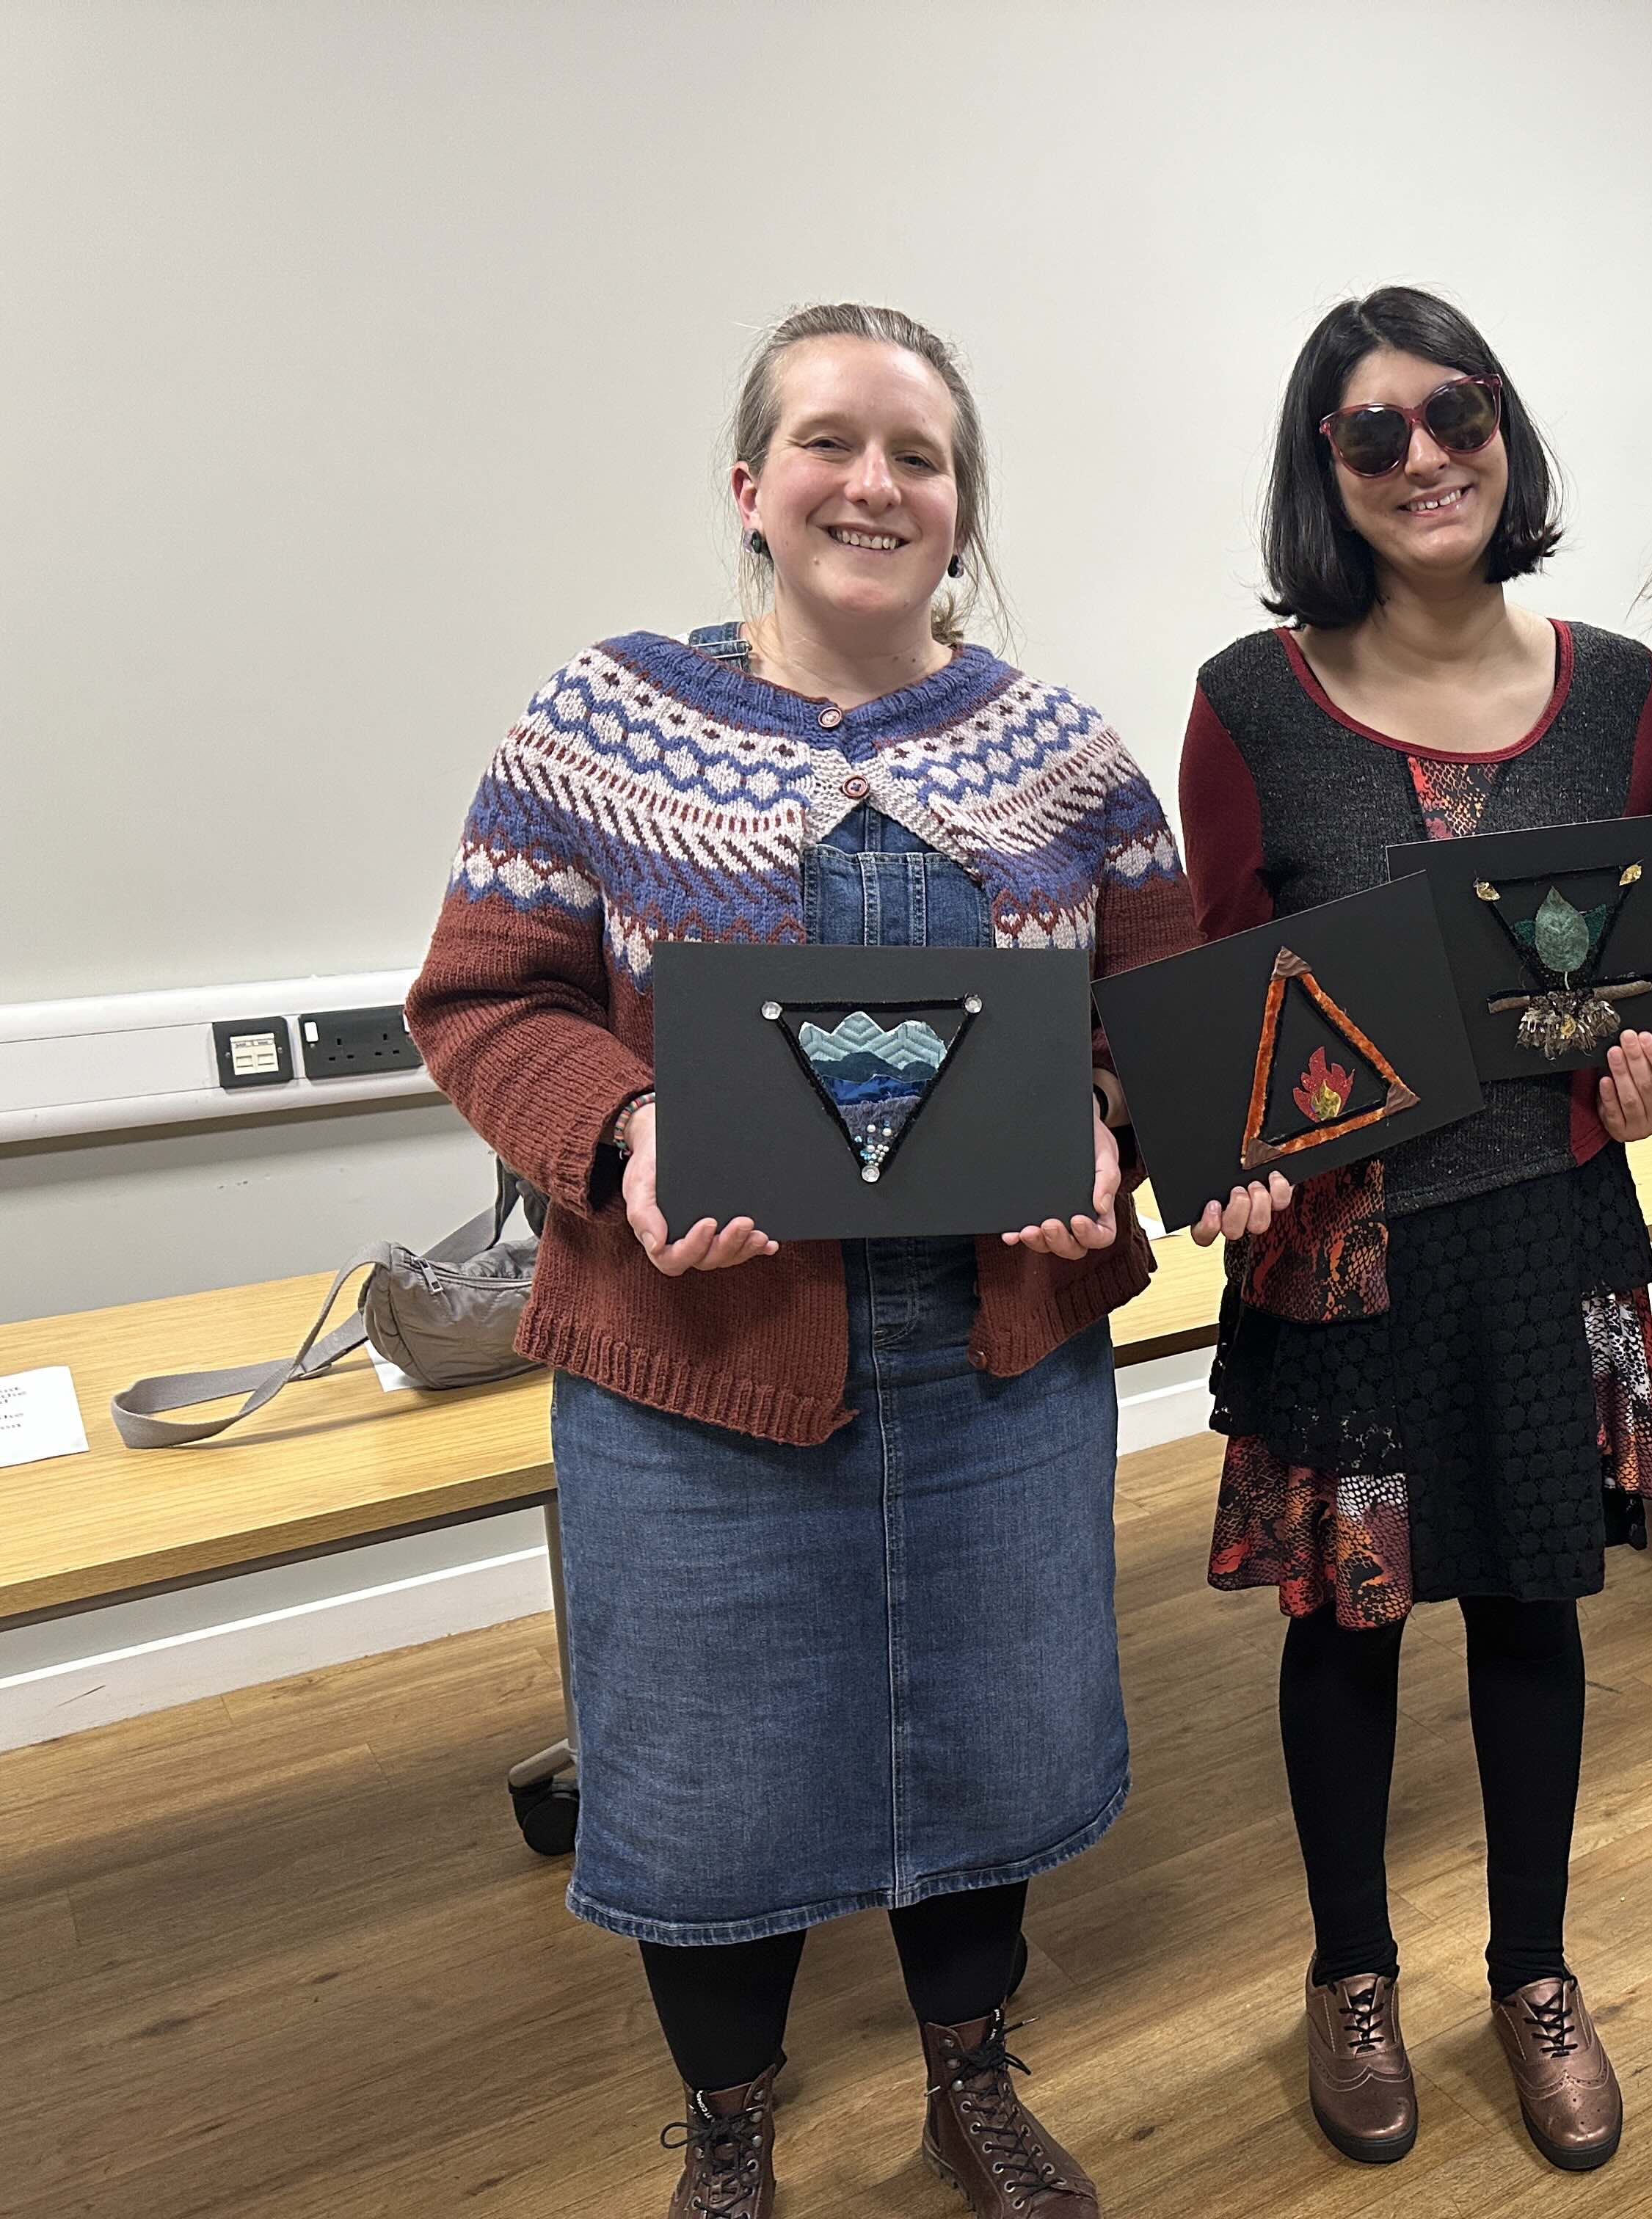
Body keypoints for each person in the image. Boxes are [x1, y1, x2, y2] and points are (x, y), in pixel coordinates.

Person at [407, 302, 1281, 2219]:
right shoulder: (600, 723)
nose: (873, 482)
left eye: (919, 455)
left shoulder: (1067, 757)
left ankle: (970, 2085)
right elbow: (485, 997)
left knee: (990, 1747)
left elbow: (1154, 1014)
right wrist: (629, 1131)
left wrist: (1113, 1139)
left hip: (997, 1361)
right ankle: (730, 2122)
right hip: (692, 1367)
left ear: (961, 512)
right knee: (707, 1782)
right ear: (750, 487)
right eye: (829, 441)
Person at [1174, 286, 1652, 2176]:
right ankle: (1351, 1973)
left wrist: (1636, 1079)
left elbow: (1644, 977)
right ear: (1328, 471)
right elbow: (1218, 987)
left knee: (1537, 1605)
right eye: (1370, 431)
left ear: (1504, 428)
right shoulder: (1253, 703)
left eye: (1452, 412)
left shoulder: (1626, 693)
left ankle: (1536, 1975)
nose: (1422, 457)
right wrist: (1223, 1148)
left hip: (1552, 1225)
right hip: (1345, 1249)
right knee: (1350, 1630)